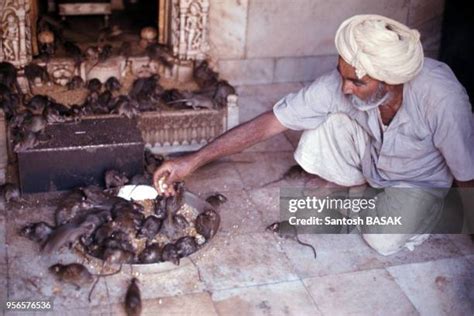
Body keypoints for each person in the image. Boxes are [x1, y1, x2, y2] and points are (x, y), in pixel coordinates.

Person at [153, 14, 474, 255]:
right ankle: (366, 194)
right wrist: (192, 161)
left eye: (357, 83)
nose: (345, 88)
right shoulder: (344, 84)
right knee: (318, 129)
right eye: (342, 75)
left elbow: (467, 173)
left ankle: (411, 208)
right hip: (374, 161)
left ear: (388, 81)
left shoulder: (441, 97)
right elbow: (270, 123)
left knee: (381, 237)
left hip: (418, 182)